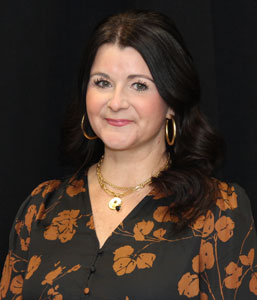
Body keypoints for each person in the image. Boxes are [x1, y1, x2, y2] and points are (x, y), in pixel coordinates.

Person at [1, 9, 257, 300]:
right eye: (102, 82)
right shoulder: (41, 207)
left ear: (172, 100)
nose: (116, 102)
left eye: (139, 85)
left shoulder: (217, 211)